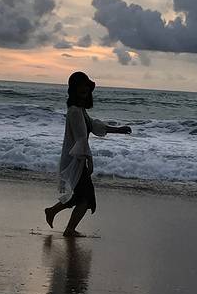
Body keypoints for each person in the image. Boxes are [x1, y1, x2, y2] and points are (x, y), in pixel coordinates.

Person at [44, 71, 132, 237]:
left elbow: (93, 126)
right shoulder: (75, 111)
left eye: (86, 86)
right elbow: (81, 139)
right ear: (74, 89)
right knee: (86, 198)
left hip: (77, 158)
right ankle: (69, 229)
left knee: (81, 196)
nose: (85, 89)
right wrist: (89, 160)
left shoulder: (80, 110)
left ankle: (53, 211)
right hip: (76, 159)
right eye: (81, 86)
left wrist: (118, 130)